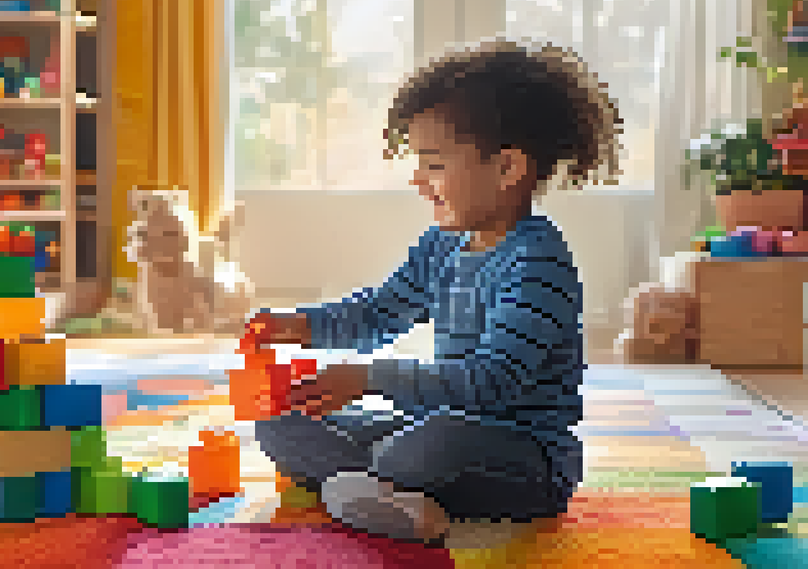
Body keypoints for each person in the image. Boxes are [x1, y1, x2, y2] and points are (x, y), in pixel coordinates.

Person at [244, 38, 623, 545]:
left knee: (422, 450)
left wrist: (372, 377)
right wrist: (301, 326)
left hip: (523, 458)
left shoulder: (537, 264)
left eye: (435, 164)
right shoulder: (442, 244)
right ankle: (385, 492)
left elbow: (490, 383)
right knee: (281, 422)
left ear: (508, 169)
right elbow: (382, 311)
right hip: (434, 425)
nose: (419, 181)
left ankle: (373, 486)